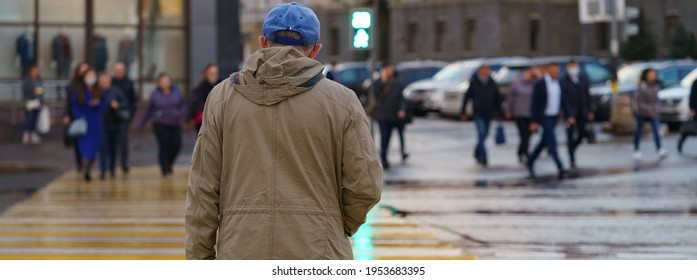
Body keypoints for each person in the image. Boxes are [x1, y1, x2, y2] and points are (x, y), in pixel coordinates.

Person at [185, 2, 382, 260]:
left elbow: (203, 190)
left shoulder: (222, 97)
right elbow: (365, 187)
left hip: (241, 251)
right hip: (317, 252)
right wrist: (333, 224)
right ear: (315, 50)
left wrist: (200, 261)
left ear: (263, 42)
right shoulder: (342, 101)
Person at [136, 73, 186, 177]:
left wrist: (180, 114)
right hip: (160, 123)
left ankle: (169, 163)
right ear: (159, 83)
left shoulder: (176, 92)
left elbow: (184, 106)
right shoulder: (155, 94)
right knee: (164, 145)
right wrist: (140, 124)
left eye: (167, 80)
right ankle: (164, 168)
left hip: (174, 122)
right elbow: (147, 110)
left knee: (176, 145)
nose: (165, 83)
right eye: (163, 81)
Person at [527, 63, 569, 180]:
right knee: (552, 140)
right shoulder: (540, 84)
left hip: (554, 116)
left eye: (557, 70)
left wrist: (568, 115)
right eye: (554, 70)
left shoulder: (559, 83)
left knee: (544, 141)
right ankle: (560, 166)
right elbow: (534, 103)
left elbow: (563, 101)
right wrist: (533, 121)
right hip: (544, 116)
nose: (556, 72)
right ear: (548, 71)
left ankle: (530, 160)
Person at [460, 64, 502, 166]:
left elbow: (497, 98)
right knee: (481, 133)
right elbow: (467, 97)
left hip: (489, 113)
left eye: (487, 70)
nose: (486, 72)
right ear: (480, 71)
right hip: (478, 112)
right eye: (484, 70)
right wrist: (463, 111)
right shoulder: (474, 82)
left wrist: (499, 112)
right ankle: (483, 157)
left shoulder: (492, 83)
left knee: (484, 135)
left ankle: (477, 152)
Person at [69, 69, 108, 181]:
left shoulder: (99, 90)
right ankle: (85, 167)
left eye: (93, 75)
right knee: (85, 146)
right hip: (83, 122)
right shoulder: (79, 91)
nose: (91, 77)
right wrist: (78, 116)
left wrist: (98, 103)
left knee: (94, 148)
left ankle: (88, 167)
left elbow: (105, 103)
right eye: (89, 75)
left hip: (95, 121)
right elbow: (74, 105)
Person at [372, 62, 408, 169]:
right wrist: (382, 81)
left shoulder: (395, 83)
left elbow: (401, 98)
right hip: (382, 115)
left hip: (393, 115)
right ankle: (383, 158)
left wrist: (402, 109)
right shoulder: (377, 83)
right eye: (388, 69)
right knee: (384, 136)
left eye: (391, 69)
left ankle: (389, 155)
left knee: (389, 137)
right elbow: (375, 94)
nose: (390, 71)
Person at [560, 60, 594, 169]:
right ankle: (571, 158)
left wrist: (589, 111)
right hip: (570, 114)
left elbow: (587, 95)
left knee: (582, 134)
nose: (573, 68)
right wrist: (568, 115)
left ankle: (572, 149)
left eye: (574, 66)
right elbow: (563, 99)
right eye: (571, 66)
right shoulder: (563, 81)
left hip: (582, 112)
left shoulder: (583, 78)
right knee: (570, 136)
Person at [633, 68, 668, 160]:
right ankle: (636, 150)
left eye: (654, 74)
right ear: (646, 75)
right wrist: (649, 110)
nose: (653, 75)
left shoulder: (657, 85)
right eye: (651, 74)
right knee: (639, 131)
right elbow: (639, 102)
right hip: (642, 112)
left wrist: (655, 109)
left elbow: (656, 100)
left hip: (653, 112)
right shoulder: (642, 86)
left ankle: (659, 149)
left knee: (656, 130)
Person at [98, 73, 129, 180]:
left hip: (115, 124)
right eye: (102, 81)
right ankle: (102, 170)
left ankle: (112, 169)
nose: (104, 83)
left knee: (113, 149)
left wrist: (118, 105)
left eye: (106, 81)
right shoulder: (97, 92)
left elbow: (125, 102)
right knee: (103, 148)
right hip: (102, 125)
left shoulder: (116, 91)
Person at [64, 62, 90, 173]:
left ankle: (88, 162)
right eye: (82, 71)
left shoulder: (90, 85)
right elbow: (69, 102)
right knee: (78, 141)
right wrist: (67, 115)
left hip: (90, 116)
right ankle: (80, 164)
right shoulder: (73, 86)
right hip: (77, 116)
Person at [111, 62, 137, 173]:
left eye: (121, 69)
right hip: (111, 117)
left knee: (123, 142)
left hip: (124, 117)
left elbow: (133, 101)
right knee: (111, 141)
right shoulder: (111, 82)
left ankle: (124, 163)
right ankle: (111, 164)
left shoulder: (129, 83)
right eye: (117, 69)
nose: (119, 72)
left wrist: (130, 116)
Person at [506, 67, 535, 163]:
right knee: (524, 135)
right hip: (519, 113)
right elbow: (510, 98)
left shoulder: (534, 83)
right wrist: (508, 110)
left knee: (529, 135)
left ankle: (522, 151)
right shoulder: (516, 83)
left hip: (531, 113)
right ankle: (524, 153)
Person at [188, 63, 219, 132]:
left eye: (215, 73)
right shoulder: (201, 87)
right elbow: (195, 104)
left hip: (218, 120)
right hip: (203, 120)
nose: (214, 76)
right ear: (206, 74)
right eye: (212, 73)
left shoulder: (221, 85)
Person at [22, 64, 44, 145]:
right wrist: (32, 92)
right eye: (35, 71)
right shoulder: (27, 80)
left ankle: (33, 134)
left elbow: (42, 91)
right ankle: (27, 134)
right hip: (30, 102)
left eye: (37, 71)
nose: (36, 72)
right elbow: (24, 91)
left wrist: (42, 101)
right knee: (29, 118)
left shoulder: (39, 79)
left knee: (35, 118)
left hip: (37, 101)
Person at [678, 79, 697, 154]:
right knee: (689, 129)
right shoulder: (696, 82)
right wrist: (691, 109)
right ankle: (681, 142)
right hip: (696, 109)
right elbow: (692, 96)